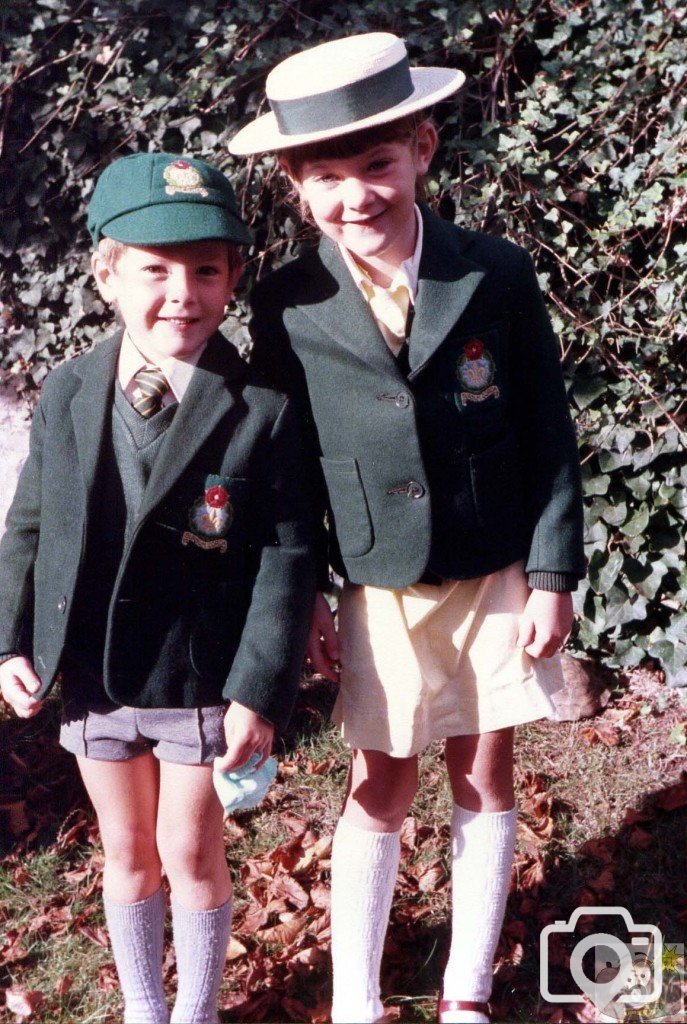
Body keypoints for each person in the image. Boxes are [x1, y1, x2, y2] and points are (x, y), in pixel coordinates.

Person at [229, 31, 585, 1024]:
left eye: (377, 164)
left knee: (485, 763)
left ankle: (466, 990)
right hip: (377, 579)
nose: (357, 196)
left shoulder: (494, 274)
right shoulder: (289, 303)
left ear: (424, 148)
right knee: (379, 778)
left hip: (495, 569)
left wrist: (554, 571)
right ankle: (357, 997)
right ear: (298, 187)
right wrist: (300, 602)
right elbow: (287, 471)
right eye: (328, 177)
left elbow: (550, 430)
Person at [0, 151, 316, 1024]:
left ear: (234, 277)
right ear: (106, 274)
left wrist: (258, 690)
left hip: (198, 677)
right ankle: (146, 1004)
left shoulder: (261, 406)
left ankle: (198, 1008)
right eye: (155, 270)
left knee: (188, 845)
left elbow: (289, 558)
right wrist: (10, 638)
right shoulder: (67, 393)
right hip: (95, 672)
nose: (182, 293)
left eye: (205, 270)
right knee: (126, 849)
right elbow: (28, 525)